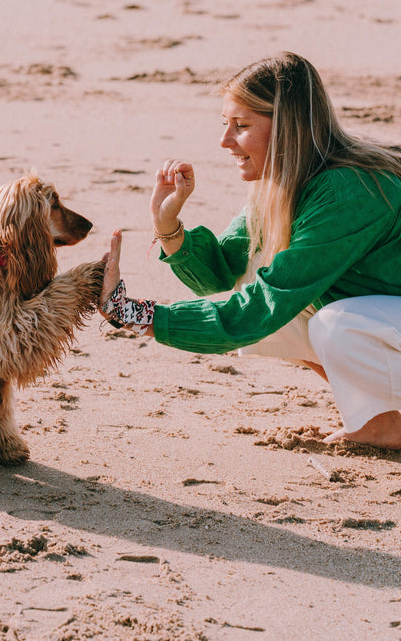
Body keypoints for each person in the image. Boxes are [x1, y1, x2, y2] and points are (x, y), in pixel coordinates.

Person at [100, 52, 401, 450]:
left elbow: (255, 312)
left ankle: (385, 425)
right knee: (283, 299)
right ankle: (382, 412)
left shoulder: (348, 189)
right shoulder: (283, 182)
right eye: (225, 124)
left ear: (287, 129)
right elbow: (224, 272)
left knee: (336, 323)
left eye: (241, 126)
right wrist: (167, 226)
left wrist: (131, 314)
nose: (224, 141)